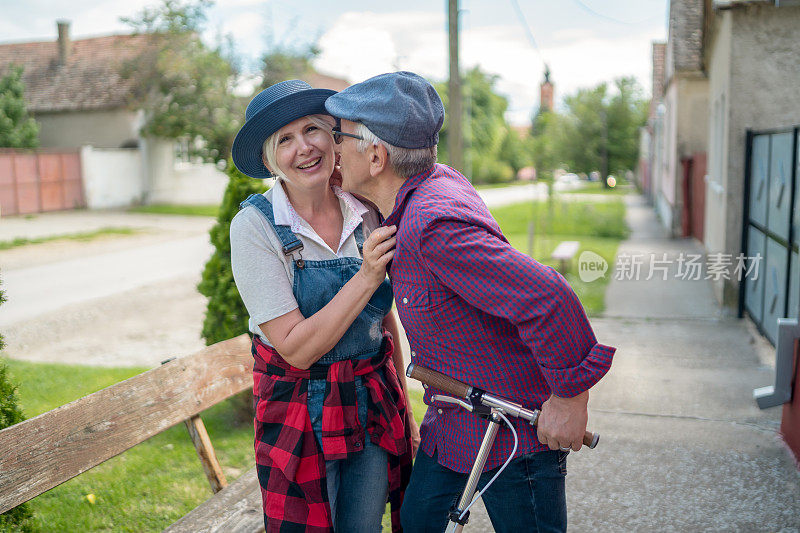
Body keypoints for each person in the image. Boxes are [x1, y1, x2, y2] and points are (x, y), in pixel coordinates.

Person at [324, 71, 616, 533]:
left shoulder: (432, 224)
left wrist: (571, 397)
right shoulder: (417, 189)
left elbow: (548, 296)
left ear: (376, 156)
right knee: (417, 523)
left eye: (340, 136)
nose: (332, 147)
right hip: (455, 422)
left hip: (513, 436)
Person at [229, 79, 418, 533]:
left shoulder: (364, 208)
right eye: (285, 140)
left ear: (334, 137)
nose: (304, 148)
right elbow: (295, 347)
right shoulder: (256, 227)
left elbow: (382, 321)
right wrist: (368, 275)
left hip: (370, 401)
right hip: (298, 409)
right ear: (268, 160)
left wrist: (407, 411)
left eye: (312, 130)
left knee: (364, 527)